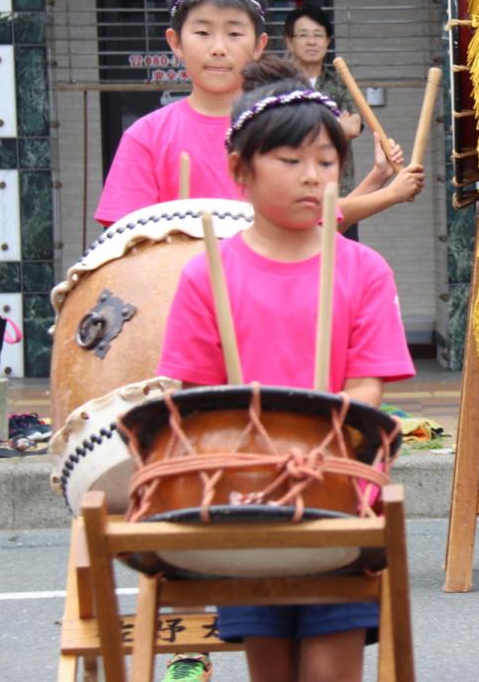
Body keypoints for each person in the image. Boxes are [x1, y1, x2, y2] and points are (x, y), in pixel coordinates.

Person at [156, 57, 415, 682]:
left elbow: (366, 390)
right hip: (244, 497)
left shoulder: (362, 270)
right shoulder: (206, 273)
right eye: (291, 161)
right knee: (269, 668)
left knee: (330, 669)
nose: (312, 177)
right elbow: (200, 402)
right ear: (241, 170)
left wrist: (328, 463)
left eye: (327, 163)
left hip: (338, 495)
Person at [95, 0, 422, 229]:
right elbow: (127, 244)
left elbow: (317, 222)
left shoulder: (284, 127)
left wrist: (380, 180)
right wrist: (388, 192)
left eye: (234, 33)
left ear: (259, 45)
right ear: (175, 42)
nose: (219, 48)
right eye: (203, 32)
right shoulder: (146, 137)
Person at [283, 4, 405, 242]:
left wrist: (297, 124)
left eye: (318, 35)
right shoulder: (279, 84)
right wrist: (334, 122)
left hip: (343, 194)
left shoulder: (339, 84)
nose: (311, 42)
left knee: (342, 264)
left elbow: (354, 126)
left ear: (328, 42)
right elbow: (278, 132)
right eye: (303, 35)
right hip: (291, 195)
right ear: (289, 41)